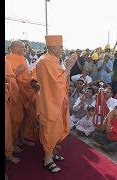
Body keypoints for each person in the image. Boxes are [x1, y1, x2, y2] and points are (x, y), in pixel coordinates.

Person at [36, 35, 78, 173]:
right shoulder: (46, 61)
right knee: (50, 130)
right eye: (60, 47)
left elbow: (61, 80)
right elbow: (57, 82)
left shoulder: (52, 60)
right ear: (53, 47)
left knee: (56, 129)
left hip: (55, 100)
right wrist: (69, 67)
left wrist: (68, 67)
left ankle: (51, 154)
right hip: (49, 103)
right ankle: (47, 160)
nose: (62, 49)